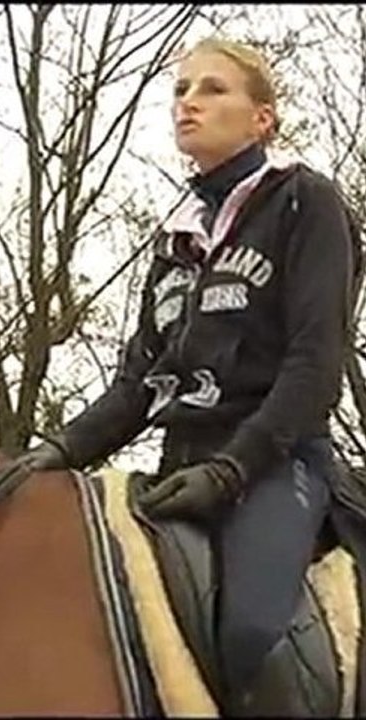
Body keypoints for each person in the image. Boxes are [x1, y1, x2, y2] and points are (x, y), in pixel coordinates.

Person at [28, 37, 361, 715]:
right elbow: (138, 386)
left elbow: (314, 367)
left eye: (212, 89)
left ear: (262, 118)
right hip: (178, 469)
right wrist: (51, 455)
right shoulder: (175, 240)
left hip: (276, 468)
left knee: (251, 636)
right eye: (181, 89)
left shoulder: (306, 204)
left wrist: (231, 472)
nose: (188, 103)